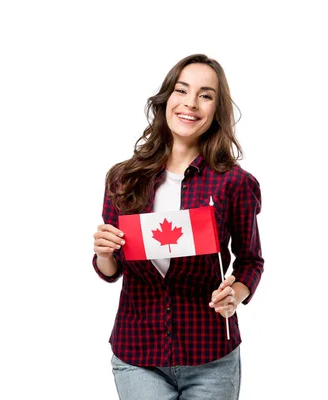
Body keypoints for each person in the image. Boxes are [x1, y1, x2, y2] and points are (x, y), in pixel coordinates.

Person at [92, 54, 264, 400]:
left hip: (211, 355)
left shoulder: (233, 183)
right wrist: (104, 252)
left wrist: (236, 294)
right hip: (138, 353)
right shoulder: (123, 179)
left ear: (217, 109)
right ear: (166, 99)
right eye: (181, 90)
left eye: (205, 95)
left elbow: (250, 262)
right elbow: (111, 270)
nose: (190, 103)